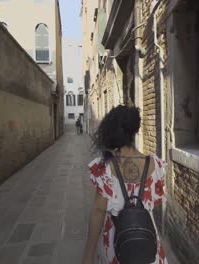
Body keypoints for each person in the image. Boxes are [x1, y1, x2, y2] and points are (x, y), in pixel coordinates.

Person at [82, 105, 167, 264]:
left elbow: (98, 212)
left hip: (117, 247)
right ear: (134, 130)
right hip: (148, 246)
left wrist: (88, 255)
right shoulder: (156, 165)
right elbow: (154, 203)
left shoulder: (105, 168)